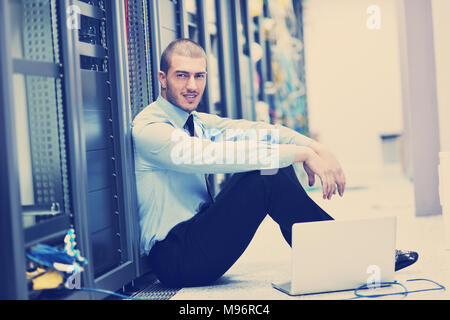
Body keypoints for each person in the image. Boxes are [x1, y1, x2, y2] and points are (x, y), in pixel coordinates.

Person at [132, 38, 418, 287]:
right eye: (182, 76)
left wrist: (314, 146)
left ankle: (341, 254)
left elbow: (257, 130)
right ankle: (349, 255)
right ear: (162, 78)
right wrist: (300, 155)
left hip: (199, 236)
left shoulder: (197, 122)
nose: (192, 86)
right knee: (266, 173)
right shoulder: (150, 129)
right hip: (177, 258)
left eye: (199, 76)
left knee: (272, 167)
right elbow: (215, 156)